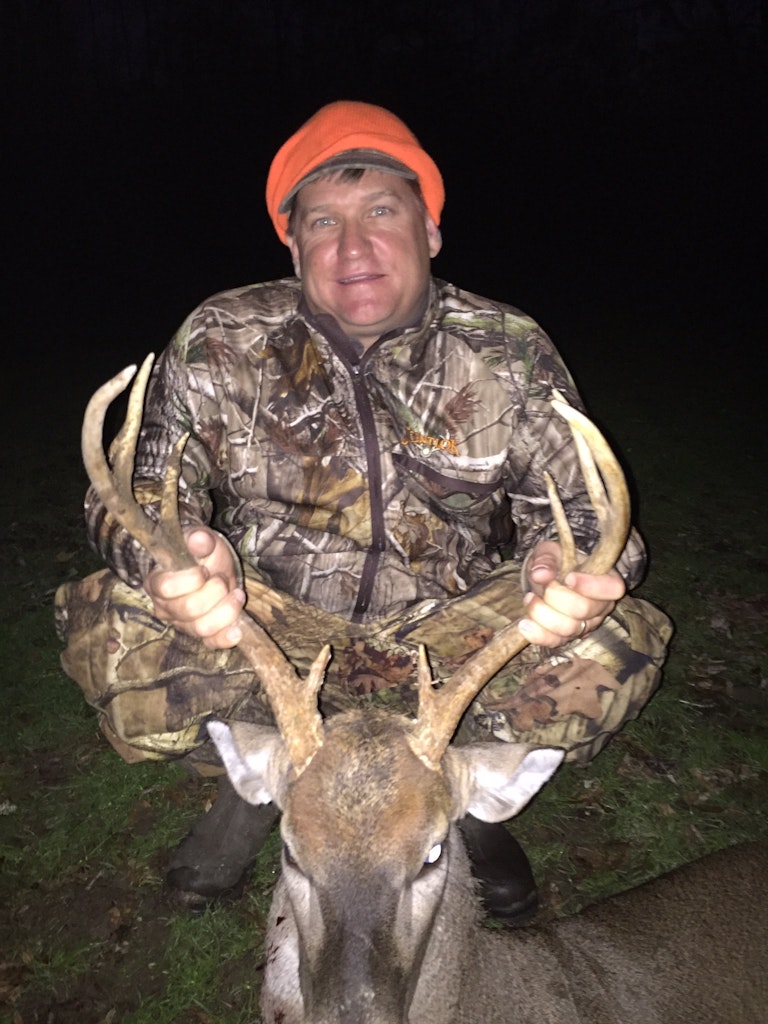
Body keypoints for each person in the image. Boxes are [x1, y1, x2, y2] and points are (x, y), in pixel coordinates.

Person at [56, 100, 672, 919]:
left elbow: (594, 517)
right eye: (323, 222)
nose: (353, 247)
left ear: (430, 229)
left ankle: (463, 797)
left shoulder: (506, 347)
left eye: (381, 211)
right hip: (273, 625)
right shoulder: (223, 335)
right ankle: (263, 779)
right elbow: (131, 493)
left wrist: (569, 571)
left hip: (444, 638)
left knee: (614, 641)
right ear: (293, 244)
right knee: (118, 628)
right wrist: (179, 556)